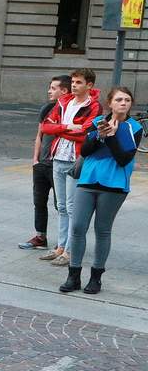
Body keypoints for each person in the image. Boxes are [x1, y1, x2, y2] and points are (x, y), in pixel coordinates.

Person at [60, 87, 141, 295]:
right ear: (110, 103)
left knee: (102, 230)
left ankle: (96, 278)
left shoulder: (135, 127)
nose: (123, 103)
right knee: (77, 227)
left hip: (114, 184)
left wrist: (112, 137)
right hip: (88, 180)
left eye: (127, 100)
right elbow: (85, 151)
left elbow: (124, 159)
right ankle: (73, 275)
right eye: (119, 100)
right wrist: (99, 136)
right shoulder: (97, 123)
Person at [38, 68, 100, 267]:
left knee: (73, 207)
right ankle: (61, 246)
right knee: (62, 206)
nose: (74, 85)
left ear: (89, 85)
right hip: (58, 157)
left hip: (76, 159)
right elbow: (46, 127)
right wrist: (66, 128)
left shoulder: (94, 106)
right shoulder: (63, 102)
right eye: (73, 82)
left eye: (79, 82)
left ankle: (71, 251)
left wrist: (61, 130)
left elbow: (85, 133)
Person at [19, 75, 71, 250]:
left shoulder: (71, 110)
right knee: (39, 201)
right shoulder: (47, 108)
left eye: (53, 88)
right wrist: (35, 159)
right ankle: (40, 237)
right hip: (42, 163)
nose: (49, 91)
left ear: (64, 90)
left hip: (60, 164)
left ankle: (64, 242)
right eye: (50, 87)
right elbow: (39, 135)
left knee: (61, 205)